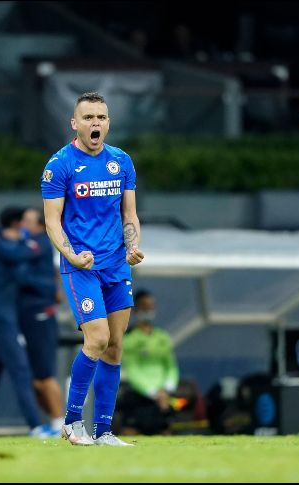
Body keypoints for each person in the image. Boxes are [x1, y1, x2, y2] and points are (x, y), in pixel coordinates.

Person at [41, 91, 144, 446]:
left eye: (101, 117)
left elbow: (129, 214)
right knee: (96, 338)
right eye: (88, 118)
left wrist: (132, 246)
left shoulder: (121, 162)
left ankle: (103, 431)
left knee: (115, 347)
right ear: (75, 124)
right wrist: (71, 256)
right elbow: (52, 223)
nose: (95, 123)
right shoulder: (59, 165)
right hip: (81, 267)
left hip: (117, 266)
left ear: (108, 122)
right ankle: (71, 422)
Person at [0, 206, 52, 438]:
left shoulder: (0, 245)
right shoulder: (10, 248)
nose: (27, 227)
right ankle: (36, 427)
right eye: (24, 222)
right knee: (21, 370)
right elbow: (23, 257)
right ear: (17, 224)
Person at [18, 207, 66, 434]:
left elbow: (26, 274)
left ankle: (60, 424)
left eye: (28, 221)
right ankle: (53, 423)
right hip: (29, 315)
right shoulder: (33, 248)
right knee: (36, 379)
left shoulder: (39, 244)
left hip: (41, 315)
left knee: (45, 375)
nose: (23, 225)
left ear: (39, 225)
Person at [118, 289, 180, 436]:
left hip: (163, 395)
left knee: (166, 434)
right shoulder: (129, 339)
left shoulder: (162, 337)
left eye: (152, 306)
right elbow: (132, 370)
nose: (149, 310)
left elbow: (170, 366)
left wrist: (167, 388)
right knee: (130, 433)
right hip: (140, 395)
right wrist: (153, 392)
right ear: (136, 309)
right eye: (145, 306)